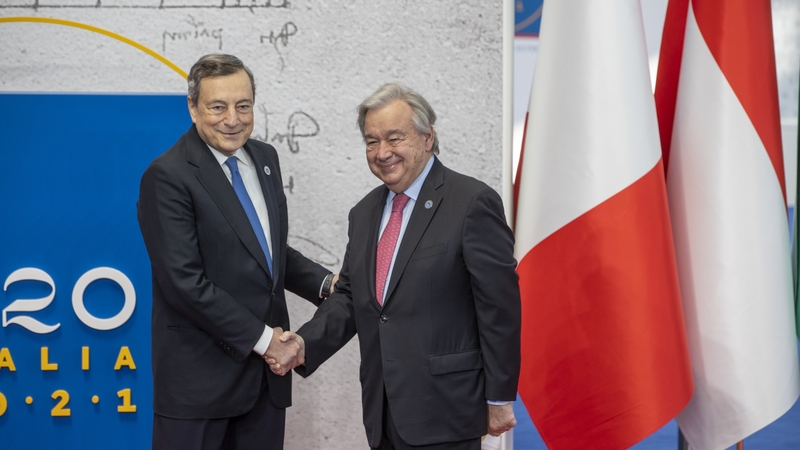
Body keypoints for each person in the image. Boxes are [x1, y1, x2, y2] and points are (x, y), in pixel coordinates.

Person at [272, 83, 521, 449]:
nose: (382, 152)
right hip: (383, 409)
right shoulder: (364, 212)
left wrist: (499, 398)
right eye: (371, 141)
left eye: (394, 138)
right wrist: (303, 343)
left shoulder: (471, 202)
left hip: (447, 412)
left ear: (427, 137)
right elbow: (351, 297)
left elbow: (499, 308)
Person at [137, 53, 335, 450]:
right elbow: (184, 283)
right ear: (193, 108)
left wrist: (328, 283)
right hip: (200, 387)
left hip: (263, 386)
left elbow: (267, 251)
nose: (233, 118)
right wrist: (267, 341)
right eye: (218, 106)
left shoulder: (265, 158)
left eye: (243, 106)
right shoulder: (167, 176)